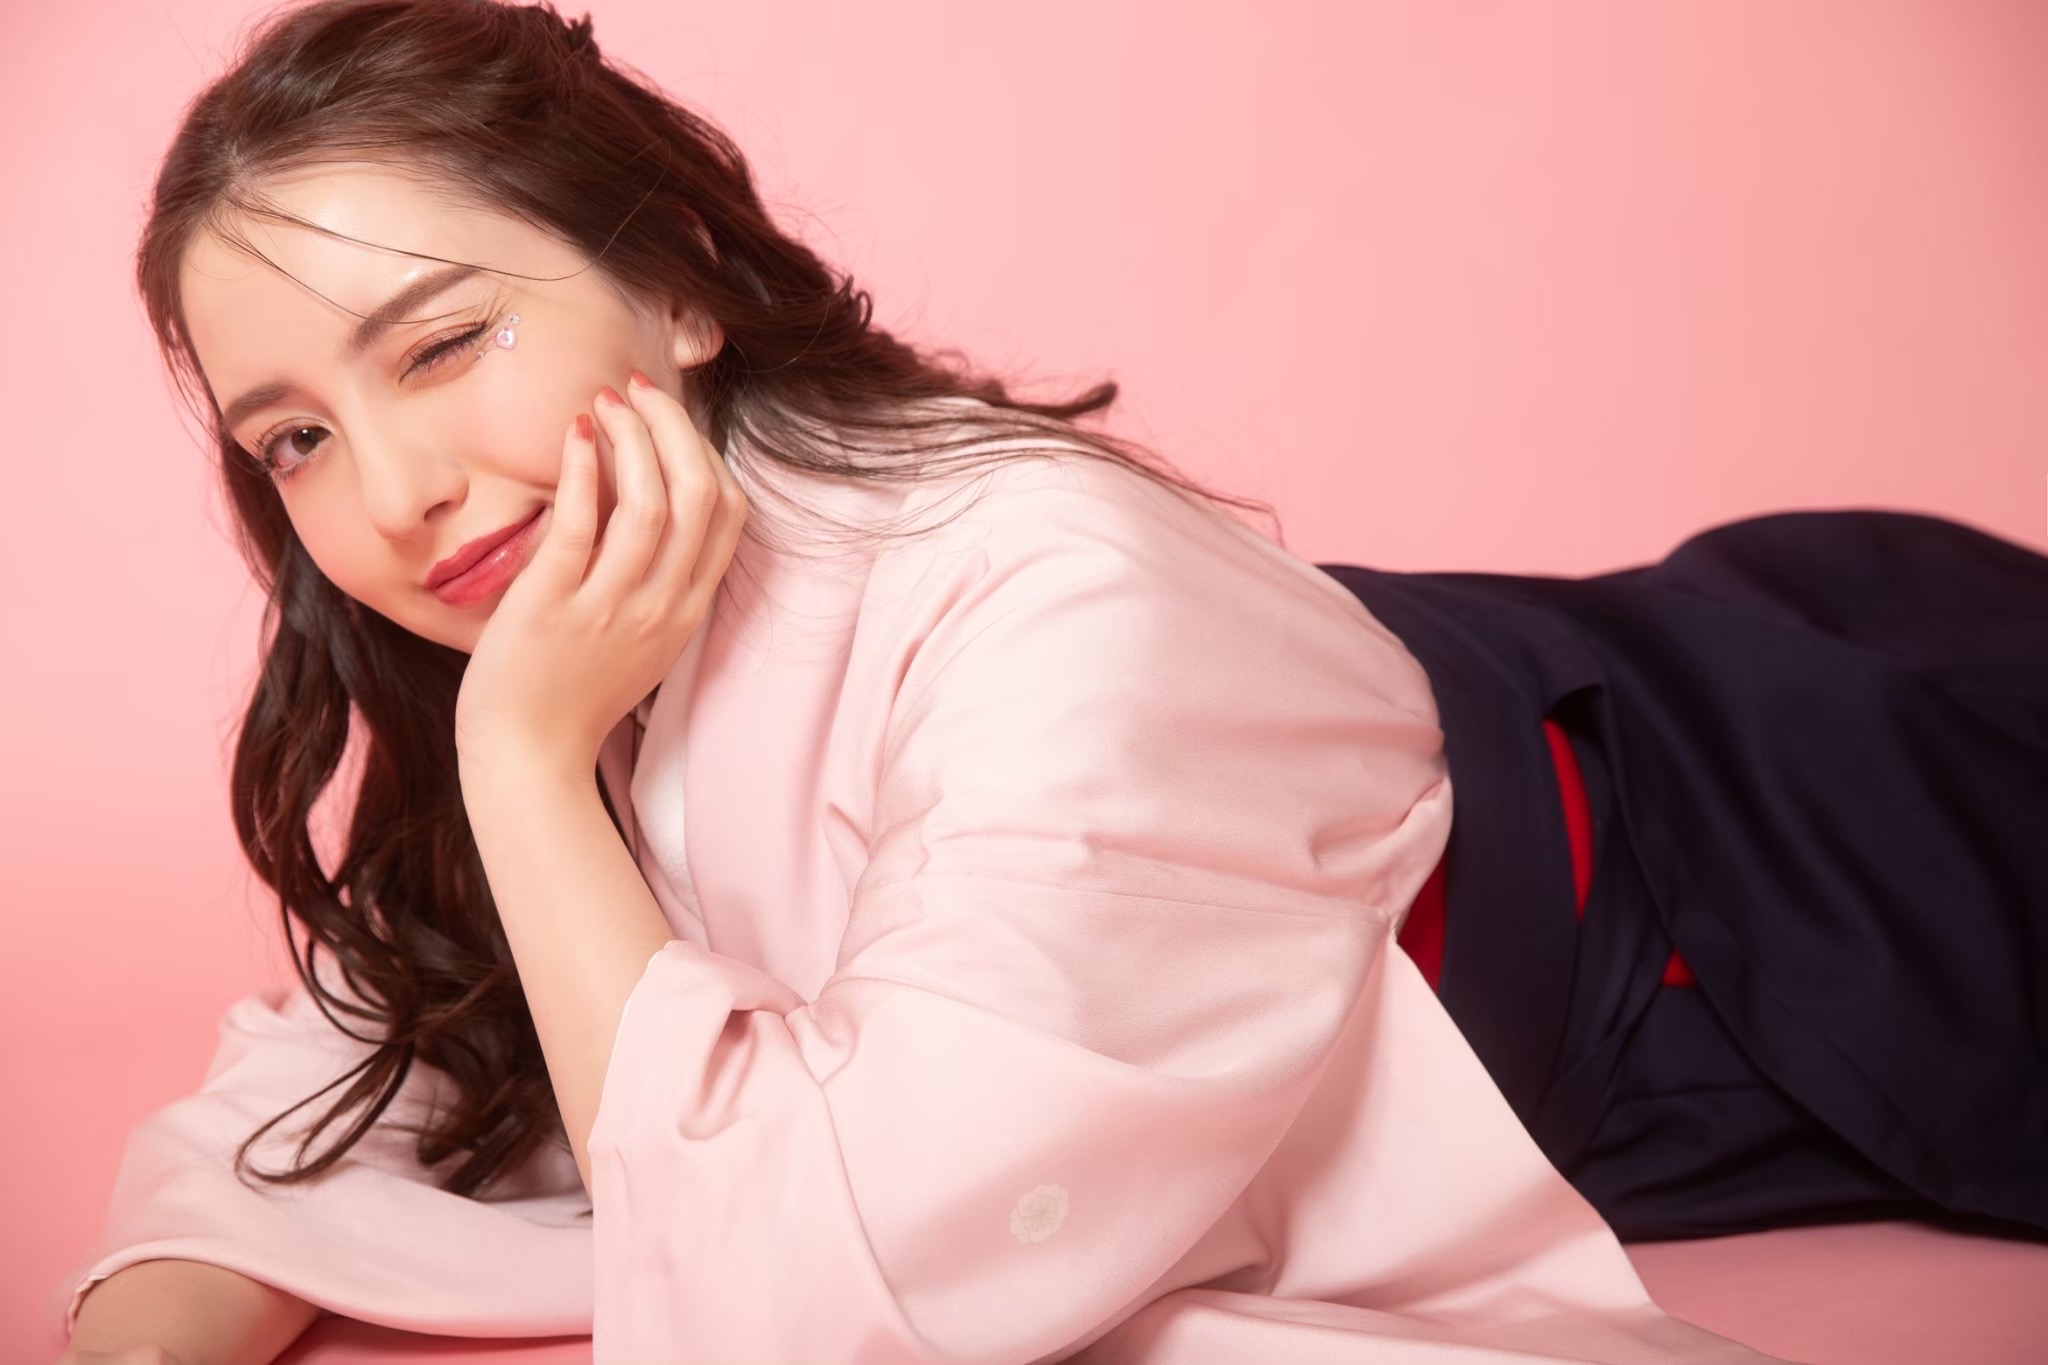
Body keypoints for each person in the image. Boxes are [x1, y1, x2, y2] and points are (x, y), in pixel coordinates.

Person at [51, 0, 2046, 1362]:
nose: (393, 490)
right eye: (294, 436)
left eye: (440, 343)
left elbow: (827, 1304)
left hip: (1781, 876)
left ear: (673, 284)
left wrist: (523, 762)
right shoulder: (563, 627)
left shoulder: (1049, 591)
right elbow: (350, 1055)